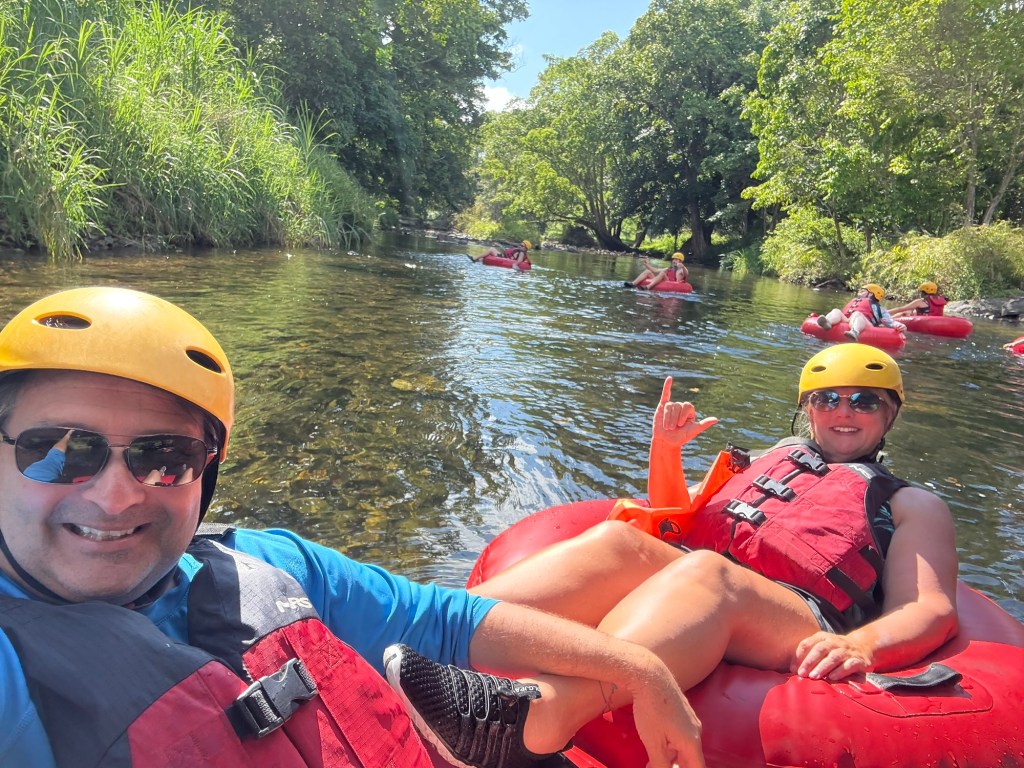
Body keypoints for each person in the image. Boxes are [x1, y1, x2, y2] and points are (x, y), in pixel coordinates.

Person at [0, 287, 702, 768]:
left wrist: (637, 667)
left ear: (204, 475)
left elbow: (444, 620)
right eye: (60, 451)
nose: (116, 496)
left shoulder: (269, 569)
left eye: (165, 458)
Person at [393, 344, 958, 766]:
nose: (844, 409)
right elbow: (673, 518)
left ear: (890, 415)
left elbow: (930, 607)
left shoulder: (910, 503)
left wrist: (858, 645)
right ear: (807, 409)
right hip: (700, 570)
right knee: (622, 542)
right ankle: (417, 624)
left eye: (864, 400)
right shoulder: (771, 460)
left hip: (795, 612)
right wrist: (664, 450)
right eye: (827, 398)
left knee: (710, 574)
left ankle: (534, 718)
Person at [817, 283, 906, 341]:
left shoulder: (879, 309)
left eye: (863, 291)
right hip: (849, 320)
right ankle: (828, 322)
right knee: (836, 310)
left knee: (857, 314)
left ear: (871, 294)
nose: (860, 292)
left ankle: (855, 332)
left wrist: (899, 325)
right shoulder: (855, 300)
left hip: (866, 324)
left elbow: (889, 322)